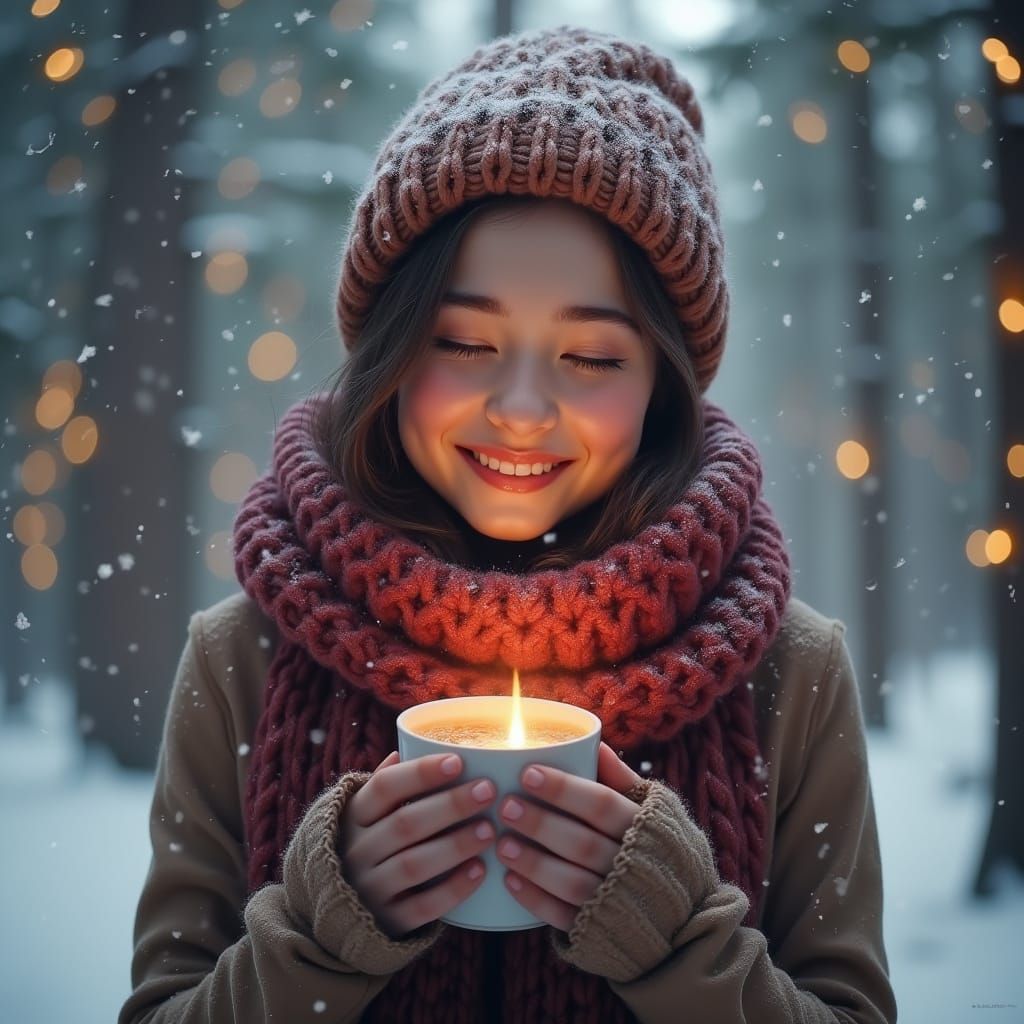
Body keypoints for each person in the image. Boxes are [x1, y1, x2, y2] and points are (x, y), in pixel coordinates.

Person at [119, 23, 897, 1024]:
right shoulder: (245, 656)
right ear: (390, 348)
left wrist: (681, 943)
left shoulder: (786, 670)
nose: (522, 407)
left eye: (590, 357)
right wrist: (323, 930)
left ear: (661, 381)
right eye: (466, 341)